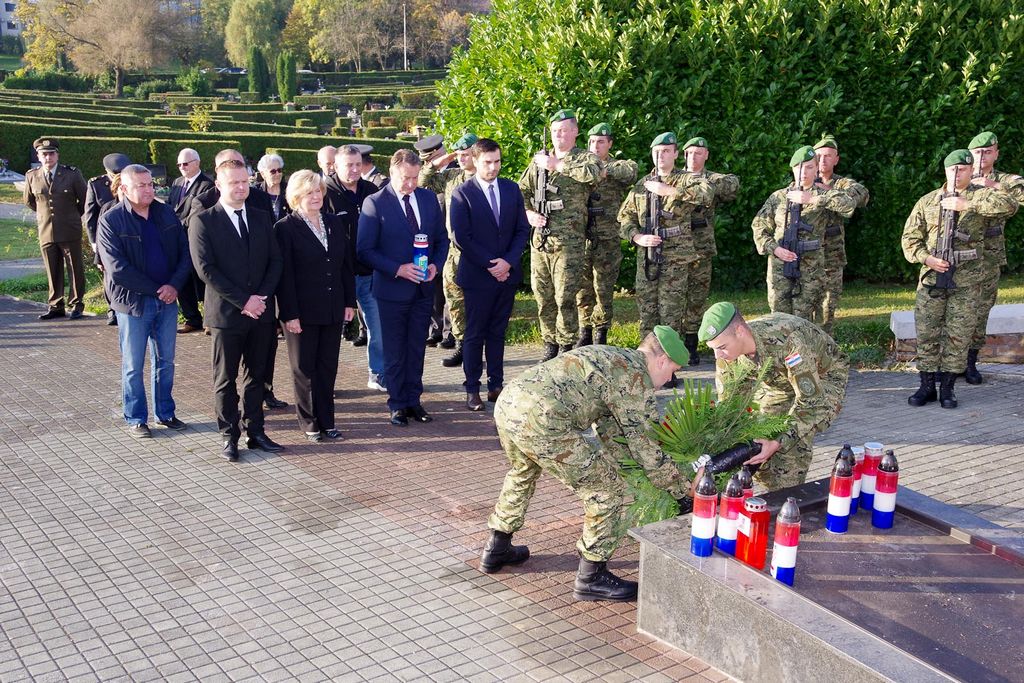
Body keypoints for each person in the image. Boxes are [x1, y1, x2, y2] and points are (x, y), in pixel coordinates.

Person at [480, 327, 692, 602]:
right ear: (662, 361)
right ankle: (592, 577)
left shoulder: (612, 357)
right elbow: (646, 447)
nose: (669, 380)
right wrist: (683, 491)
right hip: (544, 418)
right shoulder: (634, 377)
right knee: (606, 491)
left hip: (510, 402)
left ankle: (497, 546)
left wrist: (629, 469)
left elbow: (611, 430)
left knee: (523, 471)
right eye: (672, 371)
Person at [900, 149, 1017, 409]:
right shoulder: (928, 201)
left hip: (967, 281)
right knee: (927, 332)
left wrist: (968, 205)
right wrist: (926, 258)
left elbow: (1010, 204)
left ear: (970, 170)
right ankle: (926, 386)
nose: (957, 174)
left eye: (963, 169)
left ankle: (948, 388)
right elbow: (909, 238)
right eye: (952, 169)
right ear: (945, 171)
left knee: (958, 335)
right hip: (932, 279)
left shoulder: (981, 196)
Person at [189, 159, 284, 461]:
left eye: (245, 181)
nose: (241, 187)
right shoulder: (204, 221)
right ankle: (229, 436)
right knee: (225, 379)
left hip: (261, 313)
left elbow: (275, 261)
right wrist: (245, 301)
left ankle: (256, 432)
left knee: (257, 376)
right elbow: (206, 270)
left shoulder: (261, 217)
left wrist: (261, 297)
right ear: (219, 185)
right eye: (234, 182)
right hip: (226, 315)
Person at [699, 301, 850, 491]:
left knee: (792, 445)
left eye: (721, 347)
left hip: (824, 376)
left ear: (739, 331)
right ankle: (770, 490)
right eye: (713, 349)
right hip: (780, 383)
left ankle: (789, 494)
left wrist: (778, 442)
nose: (717, 355)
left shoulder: (788, 342)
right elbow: (730, 405)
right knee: (760, 439)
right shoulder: (726, 354)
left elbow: (811, 403)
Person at [96, 164, 191, 438]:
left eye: (151, 184)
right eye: (142, 185)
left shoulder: (166, 213)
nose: (149, 190)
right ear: (125, 189)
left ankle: (166, 413)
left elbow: (185, 253)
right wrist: (157, 289)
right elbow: (117, 269)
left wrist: (174, 285)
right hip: (133, 304)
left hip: (167, 300)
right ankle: (136, 418)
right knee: (133, 365)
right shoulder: (111, 220)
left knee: (166, 362)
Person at [356, 149, 448, 426]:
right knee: (395, 350)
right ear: (392, 171)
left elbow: (441, 240)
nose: (410, 184)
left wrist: (435, 266)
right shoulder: (375, 203)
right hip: (391, 290)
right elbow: (365, 250)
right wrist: (398, 268)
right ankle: (397, 403)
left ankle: (414, 401)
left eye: (415, 177)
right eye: (405, 178)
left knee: (416, 348)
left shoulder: (428, 199)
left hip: (423, 289)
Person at [617, 132, 712, 388]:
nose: (660, 156)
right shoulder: (642, 185)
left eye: (666, 151)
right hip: (648, 258)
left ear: (676, 154)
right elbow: (624, 218)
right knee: (647, 312)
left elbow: (706, 194)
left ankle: (669, 368)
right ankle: (644, 366)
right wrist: (636, 236)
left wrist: (669, 190)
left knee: (671, 314)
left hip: (676, 258)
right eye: (656, 151)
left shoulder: (687, 179)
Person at [449, 138, 530, 410]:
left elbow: (522, 230)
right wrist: (491, 264)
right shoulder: (462, 193)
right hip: (477, 277)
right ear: (474, 161)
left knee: (498, 332)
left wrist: (507, 262)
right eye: (487, 162)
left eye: (497, 161)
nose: (493, 167)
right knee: (474, 334)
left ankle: (496, 385)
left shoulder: (511, 189)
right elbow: (462, 237)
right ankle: (472, 389)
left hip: (507, 275)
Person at [275, 170, 356, 442]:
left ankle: (327, 421)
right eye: (309, 192)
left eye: (318, 191)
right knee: (304, 368)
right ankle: (310, 422)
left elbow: (345, 265)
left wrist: (349, 301)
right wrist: (289, 313)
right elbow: (284, 275)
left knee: (327, 367)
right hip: (301, 312)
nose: (315, 196)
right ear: (296, 196)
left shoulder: (333, 222)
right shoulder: (285, 228)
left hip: (332, 308)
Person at [518, 109, 602, 360]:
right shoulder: (539, 161)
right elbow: (521, 191)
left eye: (564, 130)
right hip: (541, 238)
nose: (558, 135)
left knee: (565, 296)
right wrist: (528, 213)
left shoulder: (585, 158)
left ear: (575, 132)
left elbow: (595, 174)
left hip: (569, 241)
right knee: (542, 295)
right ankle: (549, 343)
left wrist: (557, 166)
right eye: (555, 131)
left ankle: (566, 345)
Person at [751, 145, 856, 321]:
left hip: (811, 269)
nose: (803, 172)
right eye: (799, 168)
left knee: (806, 318)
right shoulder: (779, 197)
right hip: (780, 267)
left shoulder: (824, 195)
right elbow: (759, 227)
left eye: (809, 167)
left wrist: (813, 199)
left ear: (816, 169)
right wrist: (775, 249)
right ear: (792, 169)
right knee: (779, 317)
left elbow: (849, 205)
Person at [963, 131, 1024, 384]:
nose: (982, 157)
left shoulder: (1007, 180)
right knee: (956, 310)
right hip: (960, 255)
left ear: (996, 154)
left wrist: (995, 186)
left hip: (988, 256)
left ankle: (970, 362)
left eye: (988, 152)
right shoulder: (960, 176)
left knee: (980, 309)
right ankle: (950, 362)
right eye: (977, 152)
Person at [325, 145, 387, 392]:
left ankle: (378, 373)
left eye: (357, 165)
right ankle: (325, 380)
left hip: (368, 272)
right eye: (348, 165)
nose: (354, 170)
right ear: (335, 166)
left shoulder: (371, 190)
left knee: (378, 326)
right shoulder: (325, 192)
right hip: (338, 275)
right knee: (331, 332)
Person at [419, 132, 479, 368]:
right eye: (459, 154)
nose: (462, 158)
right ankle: (462, 346)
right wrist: (438, 163)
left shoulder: (486, 179)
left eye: (466, 154)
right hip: (454, 253)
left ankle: (476, 349)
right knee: (455, 301)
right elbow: (422, 181)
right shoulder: (452, 177)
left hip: (479, 252)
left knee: (477, 303)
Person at [576, 123, 638, 347]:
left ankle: (601, 331)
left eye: (601, 142)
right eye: (592, 141)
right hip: (582, 236)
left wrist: (604, 169)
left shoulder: (618, 166)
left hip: (607, 237)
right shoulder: (580, 167)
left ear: (610, 144)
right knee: (582, 287)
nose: (595, 146)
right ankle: (584, 330)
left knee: (603, 286)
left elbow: (631, 172)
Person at [681, 137, 740, 361]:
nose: (693, 157)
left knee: (697, 295)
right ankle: (674, 340)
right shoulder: (674, 178)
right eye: (689, 153)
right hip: (674, 249)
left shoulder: (711, 179)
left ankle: (691, 342)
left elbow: (732, 185)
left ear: (706, 155)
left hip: (701, 248)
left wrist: (702, 184)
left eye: (698, 153)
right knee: (674, 297)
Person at [23, 137, 88, 320]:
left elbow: (85, 200)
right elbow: (29, 201)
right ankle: (56, 305)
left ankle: (76, 304)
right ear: (38, 156)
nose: (48, 157)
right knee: (52, 269)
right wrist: (46, 217)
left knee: (74, 268)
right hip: (46, 230)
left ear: (57, 155)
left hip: (69, 229)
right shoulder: (32, 175)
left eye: (51, 153)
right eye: (44, 154)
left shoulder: (72, 174)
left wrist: (71, 216)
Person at [811, 137, 870, 335]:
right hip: (806, 256)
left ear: (836, 159)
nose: (822, 160)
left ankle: (826, 344)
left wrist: (830, 194)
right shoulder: (803, 181)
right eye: (818, 156)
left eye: (828, 156)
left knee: (828, 306)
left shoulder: (841, 183)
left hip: (831, 256)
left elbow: (862, 194)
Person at [84, 152, 133, 326]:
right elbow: (90, 216)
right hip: (104, 236)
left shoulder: (133, 180)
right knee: (109, 274)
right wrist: (95, 244)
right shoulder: (96, 184)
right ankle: (112, 309)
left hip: (128, 235)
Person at [170, 147, 214, 334]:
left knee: (203, 279)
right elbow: (171, 208)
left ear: (197, 163)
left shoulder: (206, 185)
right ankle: (192, 318)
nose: (182, 167)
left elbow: (198, 214)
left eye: (186, 164)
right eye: (179, 164)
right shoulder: (177, 183)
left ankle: (209, 319)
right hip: (177, 240)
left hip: (195, 238)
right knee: (182, 278)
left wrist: (176, 225)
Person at [255, 153, 290, 222]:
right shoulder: (256, 192)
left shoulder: (289, 190)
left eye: (279, 170)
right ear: (263, 174)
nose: (277, 174)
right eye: (273, 171)